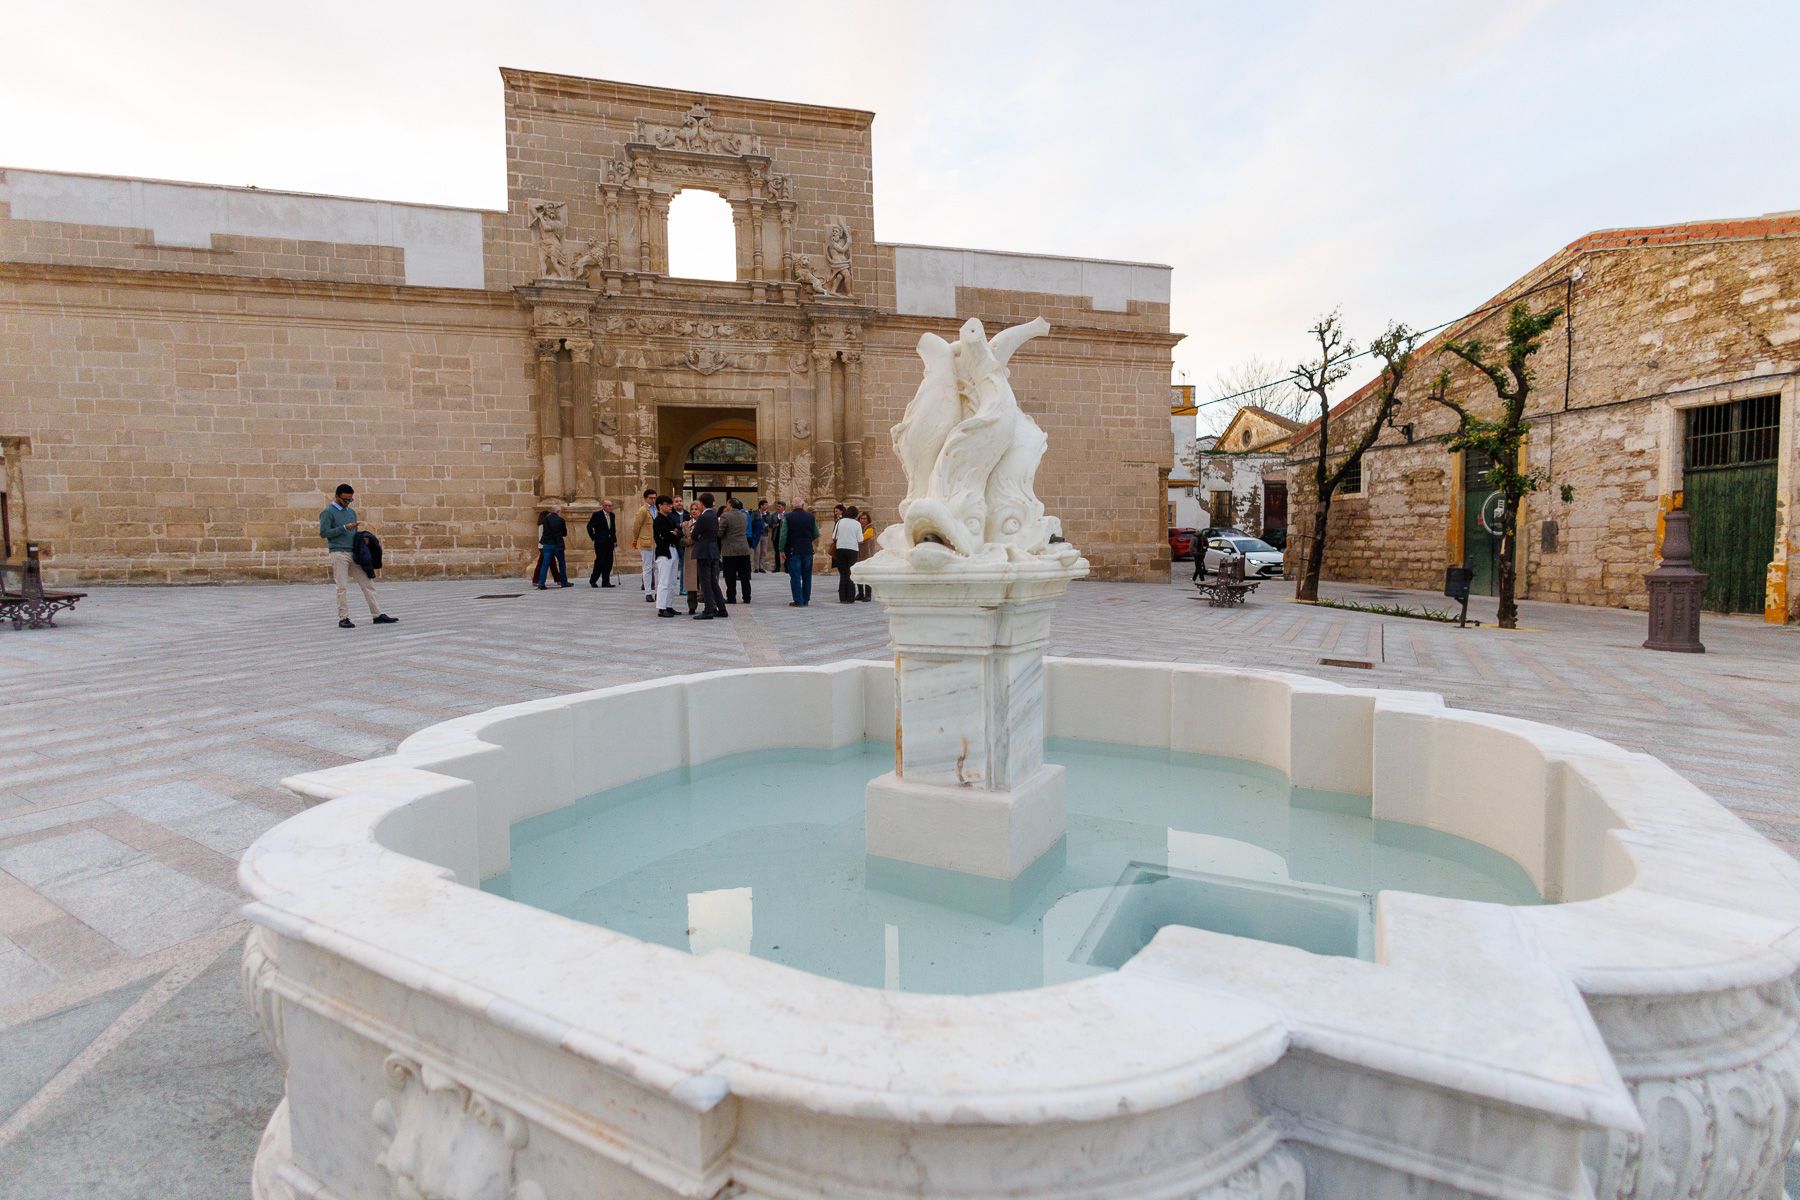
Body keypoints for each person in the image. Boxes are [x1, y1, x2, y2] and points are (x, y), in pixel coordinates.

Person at [319, 483, 397, 629]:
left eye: (350, 500)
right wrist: (343, 528)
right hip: (338, 553)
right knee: (341, 586)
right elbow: (324, 533)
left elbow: (353, 533)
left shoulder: (351, 512)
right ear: (337, 497)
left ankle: (377, 614)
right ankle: (343, 618)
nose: (348, 503)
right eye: (345, 500)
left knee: (367, 583)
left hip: (354, 552)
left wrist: (363, 539)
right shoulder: (327, 512)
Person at [689, 492, 726, 619]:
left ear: (702, 503)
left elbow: (693, 535)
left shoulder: (704, 517)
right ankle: (721, 608)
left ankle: (708, 609)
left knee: (705, 582)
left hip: (704, 551)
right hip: (713, 550)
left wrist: (697, 535)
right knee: (713, 581)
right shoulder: (714, 515)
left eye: (699, 502)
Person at [782, 497, 817, 607]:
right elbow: (816, 533)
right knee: (807, 576)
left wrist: (781, 549)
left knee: (795, 576)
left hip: (793, 550)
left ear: (792, 505)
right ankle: (806, 599)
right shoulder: (810, 517)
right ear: (802, 505)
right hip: (807, 550)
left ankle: (798, 600)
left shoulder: (788, 517)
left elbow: (783, 535)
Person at [651, 495, 682, 617]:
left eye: (670, 504)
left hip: (673, 550)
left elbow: (678, 532)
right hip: (664, 552)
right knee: (664, 581)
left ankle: (668, 605)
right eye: (667, 504)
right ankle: (661, 607)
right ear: (660, 506)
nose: (670, 506)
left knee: (672, 581)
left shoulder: (670, 518)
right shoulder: (658, 520)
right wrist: (673, 533)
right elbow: (665, 536)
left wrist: (674, 533)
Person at [720, 498, 752, 604]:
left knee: (730, 576)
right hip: (743, 548)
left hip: (730, 549)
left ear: (730, 505)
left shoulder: (725, 516)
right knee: (745, 576)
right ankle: (747, 596)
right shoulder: (744, 515)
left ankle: (731, 597)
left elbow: (720, 532)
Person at [533, 504, 571, 589]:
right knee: (561, 563)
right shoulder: (561, 520)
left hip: (547, 544)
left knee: (545, 564)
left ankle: (541, 583)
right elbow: (564, 533)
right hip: (558, 545)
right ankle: (563, 582)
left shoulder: (545, 520)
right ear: (558, 511)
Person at [631, 487, 658, 602]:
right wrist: (636, 539)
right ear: (645, 498)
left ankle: (658, 591)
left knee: (657, 567)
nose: (653, 500)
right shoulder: (643, 510)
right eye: (651, 498)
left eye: (654, 498)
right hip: (646, 541)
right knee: (647, 568)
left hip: (656, 542)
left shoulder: (656, 509)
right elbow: (636, 526)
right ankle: (648, 592)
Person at [832, 505, 863, 603]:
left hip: (840, 548)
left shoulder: (840, 522)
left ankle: (842, 597)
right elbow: (860, 539)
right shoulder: (857, 524)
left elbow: (834, 536)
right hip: (852, 549)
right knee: (850, 573)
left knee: (843, 573)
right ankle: (850, 597)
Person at [586, 499, 617, 587]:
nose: (611, 507)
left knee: (608, 562)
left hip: (609, 542)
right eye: (609, 506)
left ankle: (606, 581)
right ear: (604, 506)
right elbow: (589, 527)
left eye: (611, 506)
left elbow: (613, 529)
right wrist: (594, 537)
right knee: (600, 561)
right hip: (600, 542)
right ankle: (593, 580)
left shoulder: (612, 515)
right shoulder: (597, 515)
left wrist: (615, 540)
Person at [856, 508, 876, 601]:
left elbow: (862, 539)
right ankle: (860, 593)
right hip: (858, 554)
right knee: (858, 574)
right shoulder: (858, 528)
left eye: (865, 519)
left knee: (867, 575)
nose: (863, 520)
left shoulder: (870, 528)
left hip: (867, 555)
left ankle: (868, 594)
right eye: (861, 519)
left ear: (868, 520)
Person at [766, 500, 787, 572]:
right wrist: (773, 525)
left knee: (786, 552)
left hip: (785, 537)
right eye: (777, 506)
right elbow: (770, 525)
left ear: (783, 507)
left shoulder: (788, 515)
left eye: (779, 506)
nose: (777, 508)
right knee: (777, 553)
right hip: (776, 536)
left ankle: (786, 568)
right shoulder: (774, 515)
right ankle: (777, 568)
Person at [748, 500, 768, 573]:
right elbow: (751, 522)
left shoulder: (767, 513)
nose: (767, 506)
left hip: (765, 534)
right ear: (761, 506)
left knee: (764, 551)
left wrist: (765, 515)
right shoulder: (755, 513)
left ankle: (761, 567)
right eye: (765, 505)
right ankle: (756, 567)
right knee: (757, 551)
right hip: (757, 534)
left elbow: (769, 522)